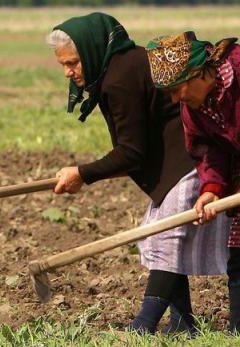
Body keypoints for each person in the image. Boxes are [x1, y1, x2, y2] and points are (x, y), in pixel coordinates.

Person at [46, 13, 230, 334]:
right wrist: (85, 173)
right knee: (161, 238)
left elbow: (131, 152)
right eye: (63, 64)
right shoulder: (121, 66)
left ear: (90, 51)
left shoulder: (119, 80)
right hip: (176, 162)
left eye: (73, 63)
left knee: (165, 238)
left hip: (191, 159)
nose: (68, 72)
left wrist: (82, 173)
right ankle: (183, 323)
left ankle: (143, 326)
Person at [146, 31, 239, 331]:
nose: (176, 99)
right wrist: (211, 190)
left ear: (198, 73)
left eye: (177, 89)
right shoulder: (194, 110)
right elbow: (207, 151)